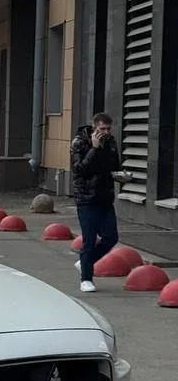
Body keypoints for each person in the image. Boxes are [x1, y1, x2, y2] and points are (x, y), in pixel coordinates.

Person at [70, 111, 129, 293]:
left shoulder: (110, 142)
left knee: (111, 237)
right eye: (102, 129)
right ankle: (86, 279)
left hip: (105, 197)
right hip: (86, 198)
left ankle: (85, 262)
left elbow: (114, 166)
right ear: (94, 127)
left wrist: (120, 175)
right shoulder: (79, 142)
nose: (106, 132)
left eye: (108, 129)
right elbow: (79, 169)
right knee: (89, 240)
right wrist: (94, 148)